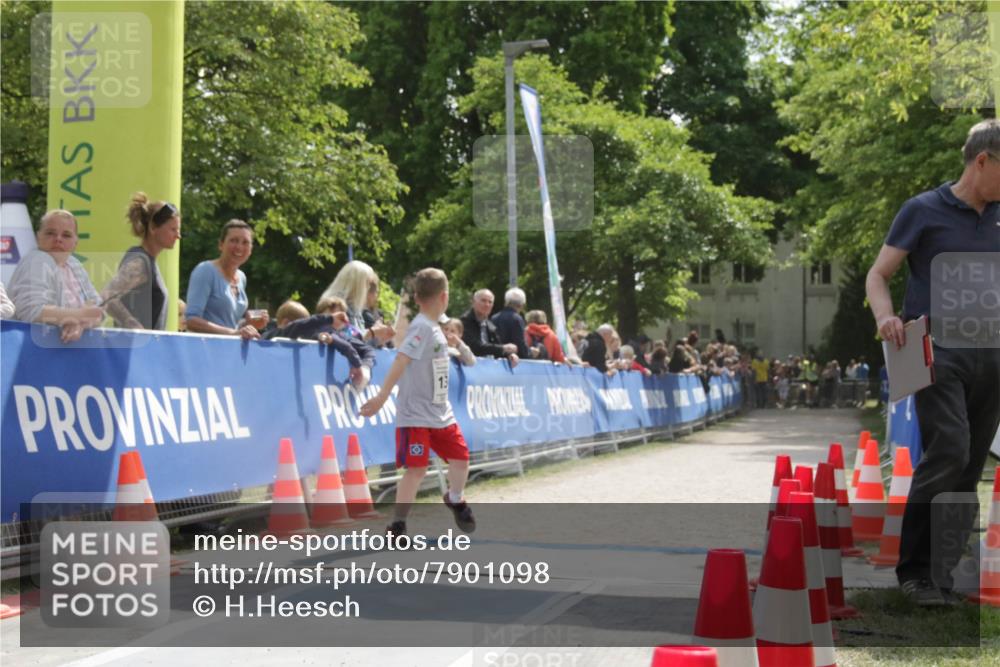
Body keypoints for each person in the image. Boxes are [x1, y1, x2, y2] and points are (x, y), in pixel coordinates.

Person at [865, 118, 1000, 606]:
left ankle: (943, 575)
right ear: (981, 161)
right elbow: (879, 275)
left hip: (993, 358)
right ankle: (916, 573)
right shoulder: (922, 210)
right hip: (935, 352)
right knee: (949, 449)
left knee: (967, 468)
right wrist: (885, 317)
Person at [360, 268, 475, 541]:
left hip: (441, 414)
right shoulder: (421, 327)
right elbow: (401, 359)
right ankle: (398, 524)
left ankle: (455, 497)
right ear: (444, 297)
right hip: (415, 416)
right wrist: (381, 396)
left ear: (416, 296)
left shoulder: (435, 326)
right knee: (416, 470)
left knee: (461, 459)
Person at [8, 209, 104, 343]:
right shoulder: (37, 260)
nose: (58, 239)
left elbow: (98, 309)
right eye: (50, 233)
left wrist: (80, 325)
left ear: (76, 241)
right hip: (30, 351)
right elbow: (31, 311)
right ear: (38, 237)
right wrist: (78, 316)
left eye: (66, 235)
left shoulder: (74, 263)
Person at [101, 193, 181, 330]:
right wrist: (131, 324)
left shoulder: (147, 261)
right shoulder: (140, 262)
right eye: (173, 229)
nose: (178, 236)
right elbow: (107, 297)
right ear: (153, 228)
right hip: (134, 349)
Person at [264, 298, 374, 388]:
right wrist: (328, 320)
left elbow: (364, 349)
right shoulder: (271, 335)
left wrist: (364, 367)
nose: (338, 319)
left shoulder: (335, 334)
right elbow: (298, 327)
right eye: (332, 314)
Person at [185, 219, 267, 340]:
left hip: (229, 351)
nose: (239, 246)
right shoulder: (205, 271)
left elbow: (230, 326)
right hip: (205, 351)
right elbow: (191, 320)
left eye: (245, 242)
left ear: (250, 249)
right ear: (221, 244)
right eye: (234, 240)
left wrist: (248, 325)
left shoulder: (242, 277)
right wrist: (233, 334)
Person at [318, 260, 394, 346]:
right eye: (368, 284)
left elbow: (358, 343)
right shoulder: (335, 306)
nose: (369, 289)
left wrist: (380, 338)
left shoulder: (355, 310)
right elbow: (345, 337)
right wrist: (371, 332)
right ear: (357, 284)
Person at [460, 289, 519, 366]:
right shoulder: (464, 322)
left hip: (488, 370)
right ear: (473, 302)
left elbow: (497, 347)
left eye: (490, 302)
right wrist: (503, 348)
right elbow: (475, 347)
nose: (487, 305)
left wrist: (509, 355)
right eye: (483, 301)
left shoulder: (490, 326)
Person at [491, 287, 529, 358]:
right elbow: (520, 343)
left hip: (496, 359)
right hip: (513, 360)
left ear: (506, 302)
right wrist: (529, 354)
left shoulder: (494, 317)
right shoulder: (517, 319)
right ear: (522, 305)